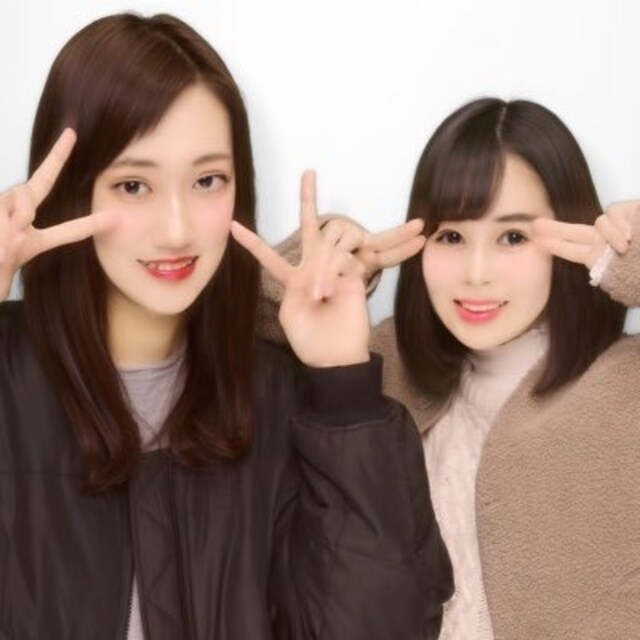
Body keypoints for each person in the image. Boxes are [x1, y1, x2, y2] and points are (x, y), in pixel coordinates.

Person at [0, 12, 453, 639]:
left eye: (208, 180)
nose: (177, 229)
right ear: (74, 194)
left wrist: (343, 389)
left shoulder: (282, 400)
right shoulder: (11, 380)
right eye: (133, 185)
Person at [261, 97, 640, 639]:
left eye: (513, 237)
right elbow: (225, 331)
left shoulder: (625, 382)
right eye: (452, 236)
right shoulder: (384, 366)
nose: (476, 273)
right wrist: (322, 268)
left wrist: (633, 265)